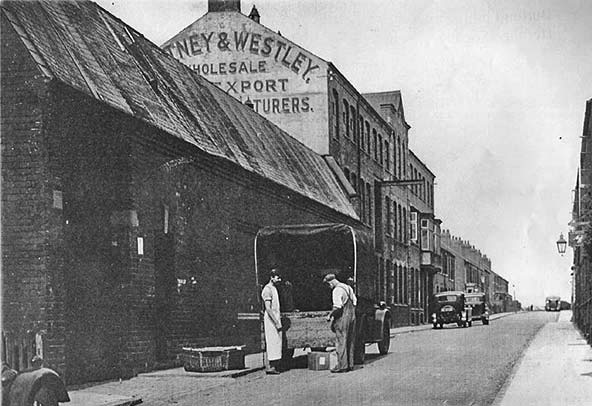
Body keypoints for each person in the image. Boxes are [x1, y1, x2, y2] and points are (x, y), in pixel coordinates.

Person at [324, 273, 357, 373]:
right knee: (350, 340)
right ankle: (350, 364)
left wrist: (330, 315)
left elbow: (337, 306)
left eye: (328, 284)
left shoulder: (337, 290)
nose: (329, 287)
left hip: (343, 317)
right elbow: (355, 301)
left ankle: (342, 366)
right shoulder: (348, 287)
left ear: (331, 282)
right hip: (352, 316)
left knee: (341, 341)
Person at [261, 268, 283, 374]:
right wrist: (276, 322)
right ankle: (271, 366)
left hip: (275, 317)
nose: (279, 279)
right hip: (271, 319)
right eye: (277, 277)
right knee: (272, 341)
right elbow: (268, 308)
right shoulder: (267, 289)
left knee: (277, 341)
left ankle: (275, 365)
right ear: (271, 277)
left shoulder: (274, 288)